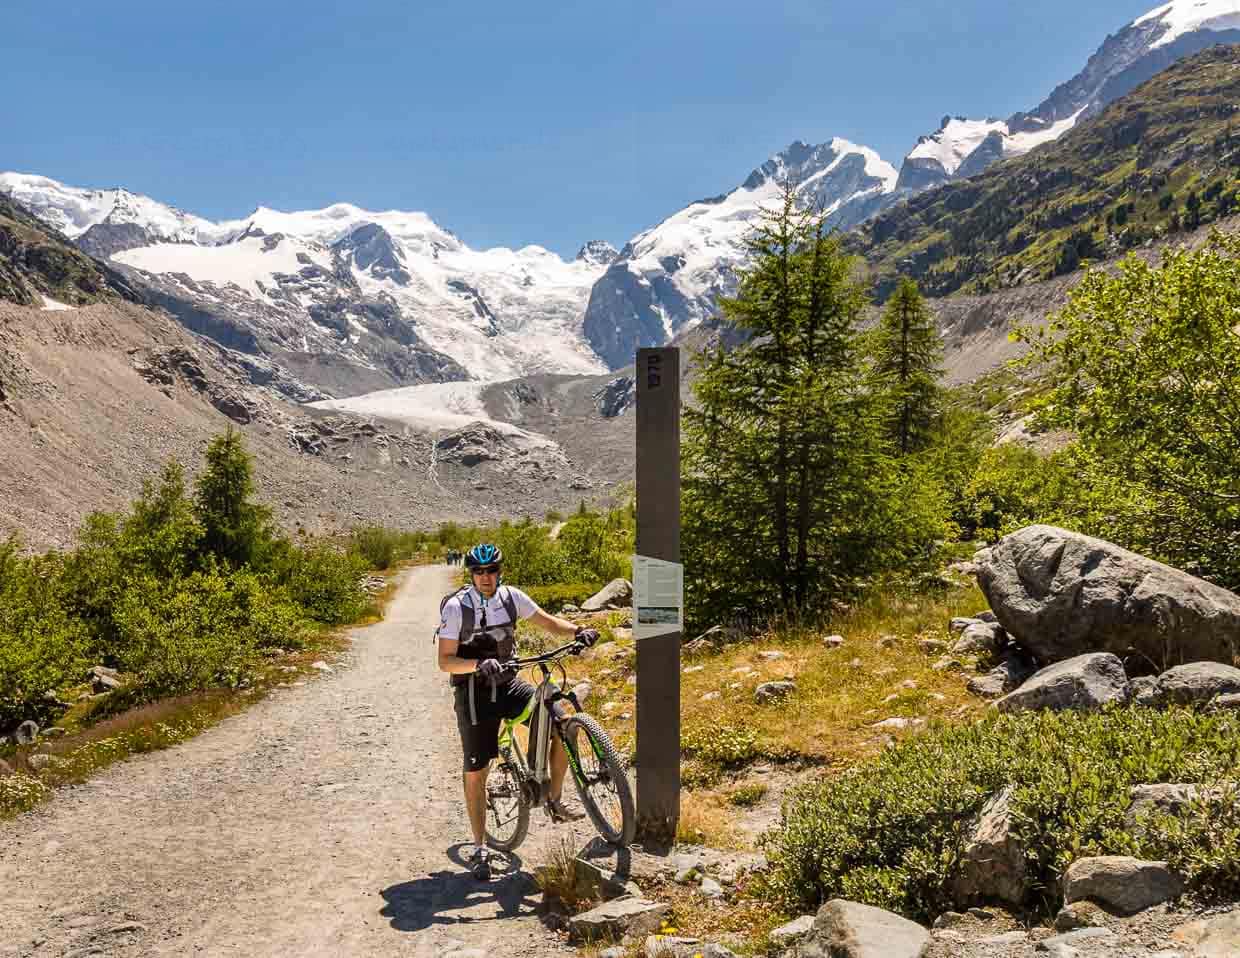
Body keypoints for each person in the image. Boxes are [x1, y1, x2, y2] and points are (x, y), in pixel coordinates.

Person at [436, 542, 599, 880]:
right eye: (478, 572)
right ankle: (480, 848)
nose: (485, 577)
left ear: (499, 571)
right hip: (473, 693)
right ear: (471, 574)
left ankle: (554, 797)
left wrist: (578, 631)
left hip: (509, 684)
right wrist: (479, 663)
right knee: (477, 770)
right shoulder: (456, 607)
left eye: (491, 570)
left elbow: (548, 622)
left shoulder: (512, 598)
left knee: (560, 716)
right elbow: (445, 661)